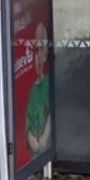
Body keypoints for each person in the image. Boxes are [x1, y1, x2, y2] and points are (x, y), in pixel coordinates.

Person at [26, 21, 52, 155]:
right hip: (36, 154)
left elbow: (53, 113)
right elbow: (27, 126)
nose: (40, 56)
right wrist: (35, 145)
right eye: (36, 50)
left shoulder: (49, 83)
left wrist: (44, 137)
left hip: (47, 148)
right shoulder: (31, 89)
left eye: (43, 49)